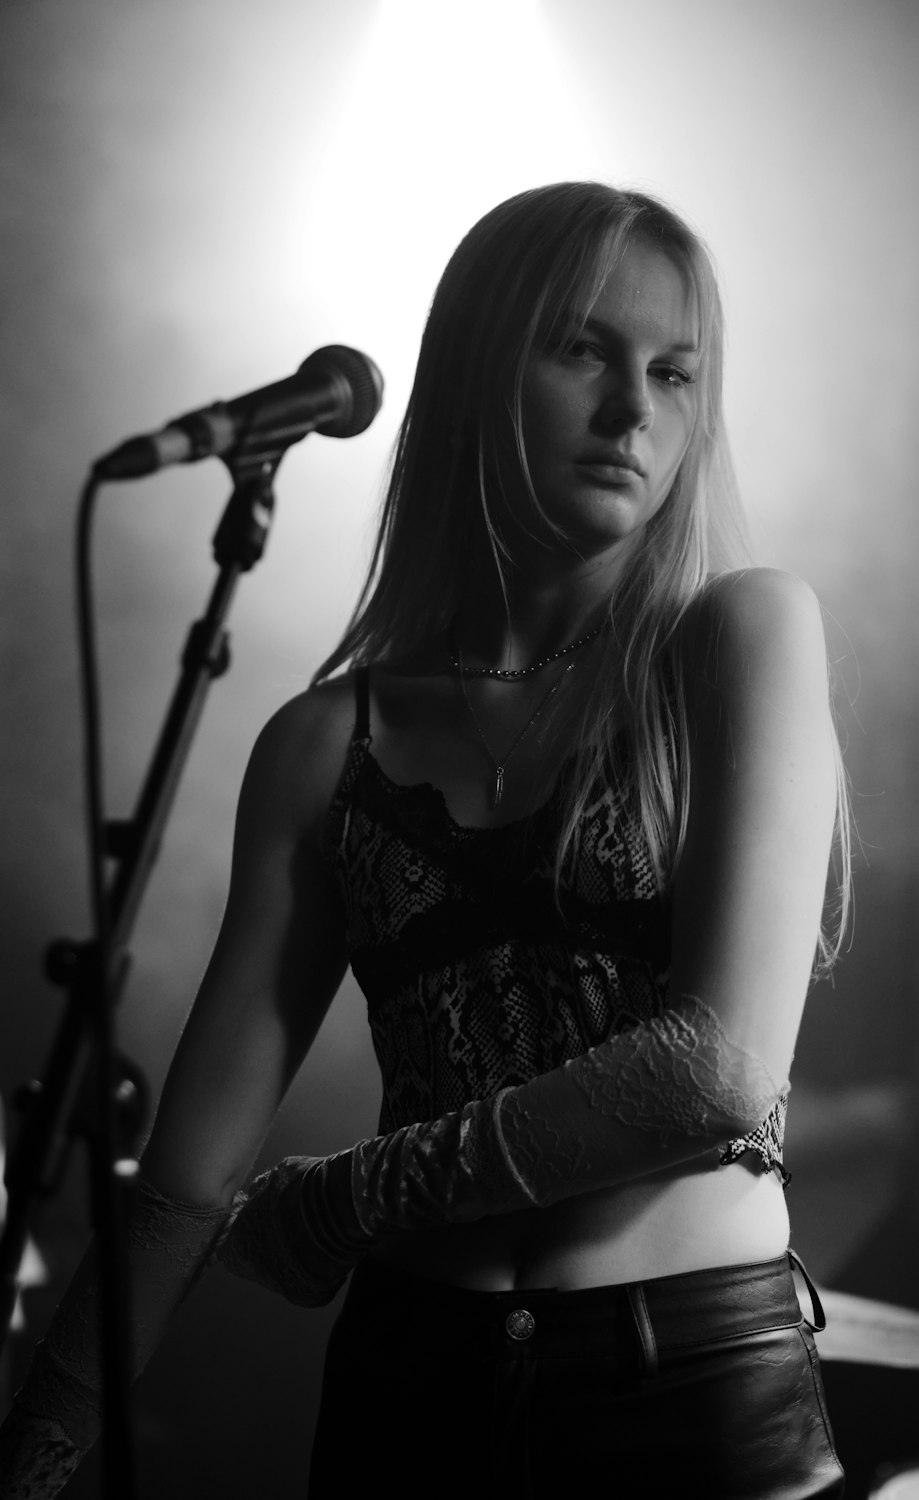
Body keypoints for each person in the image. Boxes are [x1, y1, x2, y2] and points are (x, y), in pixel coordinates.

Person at [0, 182, 849, 1497]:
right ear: (475, 369)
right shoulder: (323, 742)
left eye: (675, 373)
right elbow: (183, 1180)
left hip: (682, 1380)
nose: (634, 409)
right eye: (585, 349)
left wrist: (345, 1200)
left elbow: (717, 1076)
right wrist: (33, 1454)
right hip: (410, 1386)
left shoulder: (739, 636)